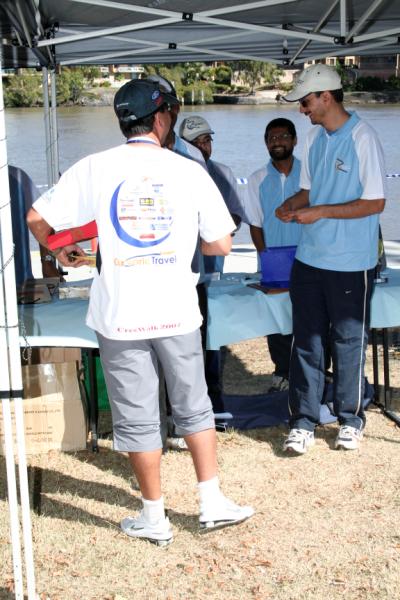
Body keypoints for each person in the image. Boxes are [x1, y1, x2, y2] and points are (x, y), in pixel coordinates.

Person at [27, 79, 254, 545]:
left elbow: (36, 217)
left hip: (119, 315)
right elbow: (220, 243)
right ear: (161, 119)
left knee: (136, 415)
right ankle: (211, 501)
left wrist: (60, 250)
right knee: (194, 404)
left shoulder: (93, 167)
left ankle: (153, 516)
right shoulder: (189, 170)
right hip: (176, 310)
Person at [276, 63, 386, 454]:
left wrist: (320, 211)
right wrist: (291, 204)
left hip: (351, 262)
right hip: (309, 257)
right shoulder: (312, 138)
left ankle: (350, 419)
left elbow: (375, 202)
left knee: (348, 342)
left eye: (306, 102)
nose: (302, 110)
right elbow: (310, 190)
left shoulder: (363, 137)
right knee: (306, 340)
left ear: (326, 96)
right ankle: (303, 422)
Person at [179, 115, 245, 412]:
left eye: (206, 140)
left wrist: (215, 224)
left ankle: (213, 396)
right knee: (184, 339)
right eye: (195, 142)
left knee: (212, 336)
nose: (203, 147)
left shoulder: (223, 173)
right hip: (180, 274)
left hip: (212, 272)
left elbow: (236, 216)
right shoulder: (172, 172)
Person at [245, 118, 302, 393]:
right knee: (278, 320)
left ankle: (314, 372)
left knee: (312, 317)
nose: (277, 142)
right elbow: (255, 224)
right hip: (274, 260)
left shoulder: (310, 174)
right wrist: (266, 258)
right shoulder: (257, 179)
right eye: (271, 138)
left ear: (295, 140)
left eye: (283, 136)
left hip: (310, 258)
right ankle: (282, 372)